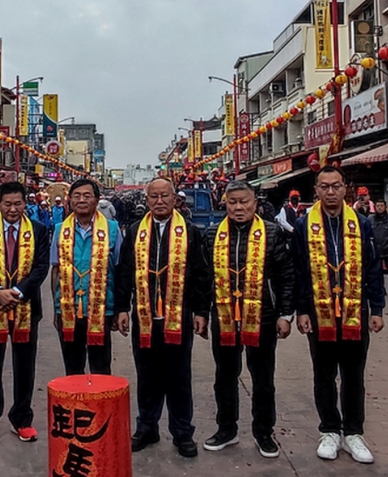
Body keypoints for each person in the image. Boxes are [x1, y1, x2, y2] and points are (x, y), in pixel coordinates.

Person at [293, 165, 385, 464]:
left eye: (335, 186)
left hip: (355, 311)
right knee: (323, 374)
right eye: (324, 186)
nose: (330, 192)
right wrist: (302, 309)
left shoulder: (362, 224)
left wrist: (378, 308)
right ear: (316, 190)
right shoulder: (304, 225)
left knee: (354, 375)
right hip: (320, 314)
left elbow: (373, 268)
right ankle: (329, 430)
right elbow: (299, 272)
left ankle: (354, 433)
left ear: (345, 188)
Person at [116, 177, 211, 458]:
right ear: (147, 200)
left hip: (178, 316)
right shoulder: (135, 231)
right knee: (147, 375)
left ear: (174, 199)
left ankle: (182, 431)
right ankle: (147, 426)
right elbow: (124, 273)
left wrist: (202, 311)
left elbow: (202, 274)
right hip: (145, 317)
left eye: (164, 196)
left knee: (179, 376)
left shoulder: (190, 232)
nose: (159, 201)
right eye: (154, 197)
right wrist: (122, 307)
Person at [202, 180, 294, 457]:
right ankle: (226, 429)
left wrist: (285, 314)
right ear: (225, 204)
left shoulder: (273, 233)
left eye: (244, 202)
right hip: (224, 316)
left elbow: (285, 276)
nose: (239, 207)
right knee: (225, 376)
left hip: (263, 316)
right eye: (233, 202)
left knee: (263, 378)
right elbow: (204, 279)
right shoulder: (211, 235)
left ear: (255, 203)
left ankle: (264, 432)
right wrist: (201, 314)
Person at [0, 181, 50, 445]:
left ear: (25, 204)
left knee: (24, 366)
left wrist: (17, 291)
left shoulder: (38, 230)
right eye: (8, 204)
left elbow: (40, 267)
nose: (13, 209)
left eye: (18, 204)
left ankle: (22, 419)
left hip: (25, 306)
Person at [51, 179, 123, 375]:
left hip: (101, 309)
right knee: (72, 366)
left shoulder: (112, 229)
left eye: (87, 196)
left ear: (96, 200)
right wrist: (56, 307)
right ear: (70, 201)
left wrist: (118, 309)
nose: (81, 200)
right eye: (77, 196)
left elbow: (119, 270)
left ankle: (100, 406)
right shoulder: (59, 230)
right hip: (68, 308)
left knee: (101, 367)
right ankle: (77, 405)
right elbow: (55, 270)